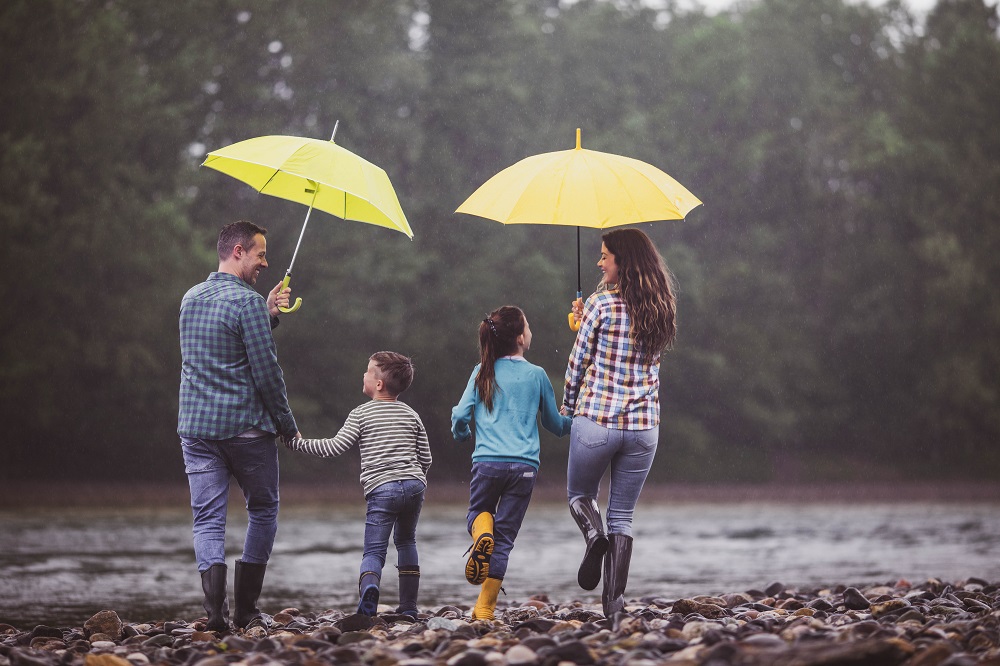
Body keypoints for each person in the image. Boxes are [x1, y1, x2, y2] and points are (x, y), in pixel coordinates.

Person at [178, 220, 300, 633]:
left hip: (196, 430)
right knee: (263, 510)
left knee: (207, 520)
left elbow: (221, 350)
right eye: (260, 254)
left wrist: (266, 313)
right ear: (237, 252)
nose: (265, 262)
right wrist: (287, 425)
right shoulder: (246, 303)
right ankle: (246, 610)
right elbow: (267, 374)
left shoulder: (190, 298)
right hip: (247, 431)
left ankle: (215, 616)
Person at [563, 228, 677, 618]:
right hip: (644, 427)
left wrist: (566, 408)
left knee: (580, 495)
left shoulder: (600, 305)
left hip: (597, 420)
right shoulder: (661, 307)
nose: (599, 262)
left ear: (622, 262)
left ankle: (593, 536)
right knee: (623, 516)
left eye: (605, 256)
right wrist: (586, 318)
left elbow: (578, 363)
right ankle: (613, 605)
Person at [283, 351, 431, 618]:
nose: (363, 375)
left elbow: (333, 447)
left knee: (374, 549)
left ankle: (370, 588)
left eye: (368, 371)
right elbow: (426, 458)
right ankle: (408, 607)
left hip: (381, 489)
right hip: (414, 485)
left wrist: (297, 443)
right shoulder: (412, 414)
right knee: (407, 541)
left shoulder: (361, 414)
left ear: (378, 384)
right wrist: (415, 481)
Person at [451, 306, 572, 621]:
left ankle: (481, 536)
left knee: (477, 517)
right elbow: (556, 426)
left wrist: (461, 434)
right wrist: (576, 417)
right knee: (503, 539)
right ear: (520, 338)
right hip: (524, 468)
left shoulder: (481, 371)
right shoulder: (537, 375)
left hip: (487, 462)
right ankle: (485, 608)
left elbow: (461, 415)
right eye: (528, 327)